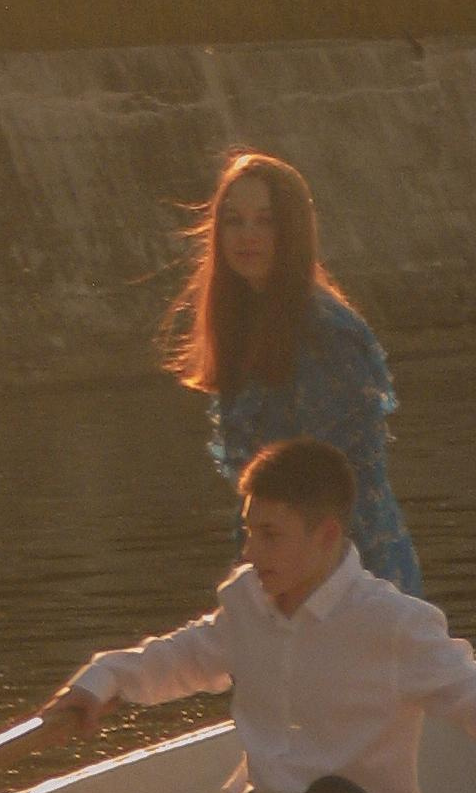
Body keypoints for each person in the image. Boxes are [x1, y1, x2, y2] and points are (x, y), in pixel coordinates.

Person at [45, 437, 476, 793]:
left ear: (325, 536)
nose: (252, 552)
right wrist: (100, 683)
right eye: (250, 532)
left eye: (271, 536)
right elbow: (176, 659)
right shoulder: (246, 603)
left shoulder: (391, 622)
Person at [169, 148, 424, 595]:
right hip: (281, 561)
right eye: (234, 220)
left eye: (265, 221)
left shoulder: (326, 331)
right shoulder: (244, 323)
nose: (247, 235)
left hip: (348, 571)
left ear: (292, 232)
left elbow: (336, 482)